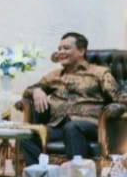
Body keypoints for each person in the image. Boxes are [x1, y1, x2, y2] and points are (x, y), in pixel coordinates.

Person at [20, 32, 121, 165]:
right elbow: (27, 91)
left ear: (81, 51)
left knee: (72, 128)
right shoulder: (54, 75)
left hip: (90, 125)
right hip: (57, 126)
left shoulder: (99, 73)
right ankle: (41, 173)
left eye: (66, 48)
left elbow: (119, 97)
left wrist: (114, 111)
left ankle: (77, 175)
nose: (61, 52)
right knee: (25, 135)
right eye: (59, 48)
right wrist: (36, 91)